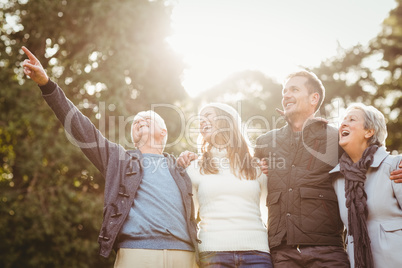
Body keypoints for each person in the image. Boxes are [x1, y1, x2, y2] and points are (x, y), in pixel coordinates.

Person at [21, 46, 198, 268]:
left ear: (163, 132)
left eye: (147, 118)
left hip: (184, 255)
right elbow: (80, 127)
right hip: (136, 254)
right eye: (136, 121)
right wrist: (47, 85)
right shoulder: (119, 159)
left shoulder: (181, 166)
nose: (139, 120)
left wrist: (194, 161)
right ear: (133, 136)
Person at [254, 70, 350, 267]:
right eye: (284, 92)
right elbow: (238, 167)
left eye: (294, 90)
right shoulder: (265, 142)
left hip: (327, 249)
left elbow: (369, 162)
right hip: (282, 251)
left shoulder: (336, 139)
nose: (286, 95)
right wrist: (193, 157)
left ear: (314, 98)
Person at [178, 103, 273, 268]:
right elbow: (187, 217)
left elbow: (270, 215)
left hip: (257, 254)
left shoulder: (257, 167)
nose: (202, 122)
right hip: (212, 254)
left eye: (208, 115)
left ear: (227, 121)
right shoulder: (194, 168)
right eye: (200, 119)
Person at [330, 103, 402, 268]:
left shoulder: (394, 166)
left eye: (352, 119)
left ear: (369, 132)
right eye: (343, 120)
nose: (343, 124)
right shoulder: (337, 179)